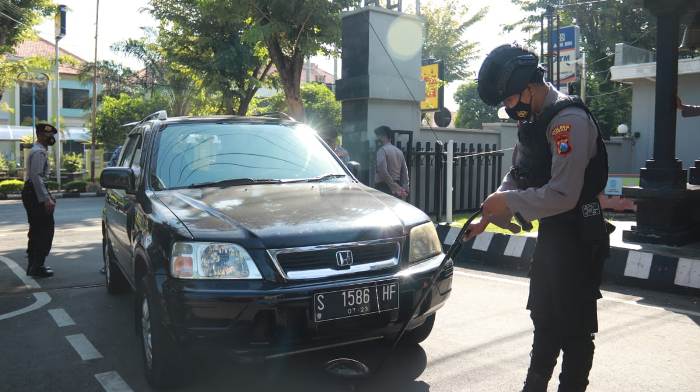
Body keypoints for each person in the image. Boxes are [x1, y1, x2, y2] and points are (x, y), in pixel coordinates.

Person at [466, 44, 611, 392]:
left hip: (578, 235)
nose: (507, 106)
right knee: (544, 320)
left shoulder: (568, 122)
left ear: (530, 87)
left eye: (510, 98)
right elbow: (519, 173)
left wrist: (511, 202)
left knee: (575, 330)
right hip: (554, 236)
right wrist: (490, 211)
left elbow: (564, 193)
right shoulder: (532, 120)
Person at [22, 123, 58, 278]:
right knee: (45, 229)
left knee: (37, 229)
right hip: (34, 194)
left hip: (32, 192)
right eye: (48, 135)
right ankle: (37, 266)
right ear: (41, 135)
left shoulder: (39, 150)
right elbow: (37, 177)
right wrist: (45, 199)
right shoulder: (39, 152)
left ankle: (34, 266)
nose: (51, 138)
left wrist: (48, 196)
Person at [374, 125, 409, 200]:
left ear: (383, 136)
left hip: (383, 186)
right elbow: (404, 172)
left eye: (378, 136)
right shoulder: (399, 152)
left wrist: (393, 185)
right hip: (397, 186)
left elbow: (382, 171)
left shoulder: (382, 151)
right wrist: (405, 187)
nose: (377, 139)